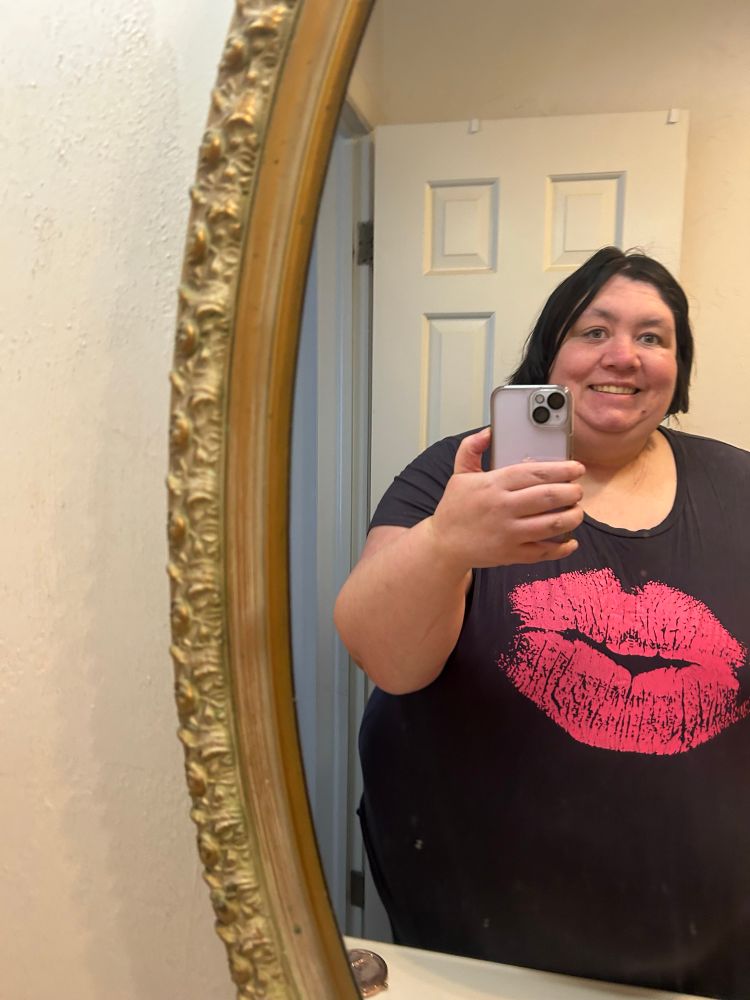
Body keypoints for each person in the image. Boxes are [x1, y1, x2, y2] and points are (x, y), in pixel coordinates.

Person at [334, 247, 750, 999]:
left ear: (679, 367)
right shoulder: (458, 476)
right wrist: (446, 542)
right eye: (594, 331)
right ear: (549, 353)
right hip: (474, 952)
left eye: (654, 337)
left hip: (703, 950)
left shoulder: (741, 487)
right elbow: (387, 658)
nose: (623, 355)